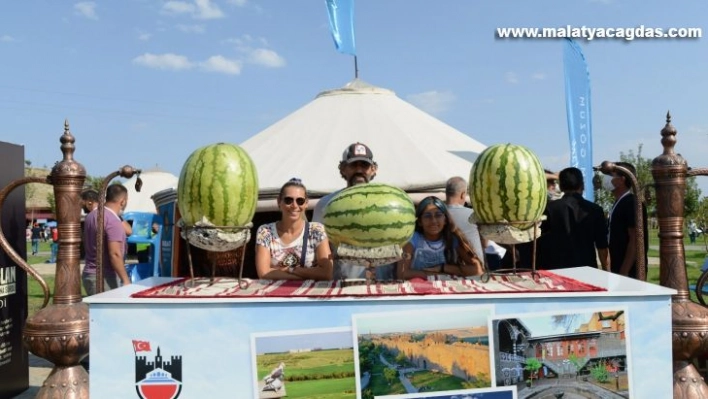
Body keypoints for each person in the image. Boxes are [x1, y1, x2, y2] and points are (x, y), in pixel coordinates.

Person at [313, 142, 396, 280]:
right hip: (343, 285)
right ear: (342, 168)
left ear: (374, 169)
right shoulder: (326, 204)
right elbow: (317, 246)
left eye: (364, 165)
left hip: (385, 283)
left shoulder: (390, 202)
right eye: (353, 165)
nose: (359, 170)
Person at [255, 179, 333, 280]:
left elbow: (327, 273)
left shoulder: (316, 230)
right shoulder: (265, 232)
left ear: (306, 204)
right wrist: (302, 277)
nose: (295, 205)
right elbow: (264, 273)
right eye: (288, 200)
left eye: (300, 201)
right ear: (279, 202)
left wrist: (290, 270)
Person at [536, 167, 609, 270]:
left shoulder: (550, 208)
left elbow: (539, 241)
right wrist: (606, 270)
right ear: (582, 185)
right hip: (588, 270)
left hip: (557, 269)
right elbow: (602, 246)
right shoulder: (595, 210)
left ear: (560, 186)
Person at [398, 196, 484, 280]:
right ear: (420, 221)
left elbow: (477, 270)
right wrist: (433, 275)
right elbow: (402, 273)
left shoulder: (453, 239)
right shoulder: (412, 239)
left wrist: (443, 268)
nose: (433, 221)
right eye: (427, 216)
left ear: (445, 219)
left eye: (438, 215)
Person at [82, 184, 132, 295]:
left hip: (90, 274)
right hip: (104, 277)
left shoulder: (91, 215)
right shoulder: (113, 221)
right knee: (110, 312)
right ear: (123, 201)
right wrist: (125, 279)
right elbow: (115, 254)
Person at [603, 162, 648, 279]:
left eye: (611, 175)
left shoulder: (631, 203)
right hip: (618, 268)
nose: (606, 179)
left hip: (630, 272)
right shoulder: (619, 203)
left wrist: (624, 270)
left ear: (621, 180)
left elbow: (635, 239)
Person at [444, 176, 485, 266]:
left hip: (445, 266)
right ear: (463, 194)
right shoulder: (473, 214)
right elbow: (485, 243)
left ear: (446, 193)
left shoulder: (437, 215)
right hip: (473, 267)